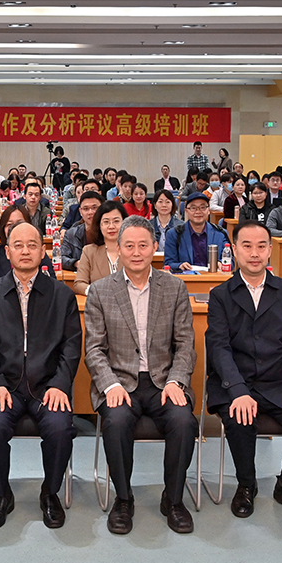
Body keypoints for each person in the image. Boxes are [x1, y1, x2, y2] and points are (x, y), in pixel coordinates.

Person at [85, 215, 198, 535]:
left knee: (184, 422)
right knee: (116, 422)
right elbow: (94, 350)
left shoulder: (174, 287)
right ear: (119, 248)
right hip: (120, 382)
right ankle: (124, 499)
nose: (136, 252)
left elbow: (185, 344)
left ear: (155, 247)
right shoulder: (100, 291)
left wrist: (176, 381)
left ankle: (173, 499)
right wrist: (109, 385)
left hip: (163, 381)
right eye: (129, 246)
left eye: (143, 245)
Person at [206, 220, 282, 520]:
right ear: (235, 251)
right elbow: (219, 348)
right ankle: (246, 485)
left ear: (271, 250)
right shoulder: (221, 294)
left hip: (279, 382)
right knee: (240, 418)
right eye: (247, 246)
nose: (254, 253)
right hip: (237, 382)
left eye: (261, 246)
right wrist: (238, 391)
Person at [0, 222, 81, 530]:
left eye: (32, 245)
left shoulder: (62, 295)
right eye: (18, 245)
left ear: (43, 251)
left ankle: (50, 492)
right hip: (4, 386)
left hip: (47, 386)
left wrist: (60, 384)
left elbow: (71, 347)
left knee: (60, 429)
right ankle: (2, 494)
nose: (25, 251)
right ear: (7, 252)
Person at [0, 204, 54, 282]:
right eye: (9, 224)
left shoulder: (37, 252)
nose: (15, 228)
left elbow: (52, 283)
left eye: (20, 223)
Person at [163, 193, 230, 271]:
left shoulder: (220, 233)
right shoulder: (174, 234)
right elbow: (168, 263)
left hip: (213, 277)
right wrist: (179, 266)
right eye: (193, 208)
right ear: (186, 211)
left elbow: (231, 261)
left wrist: (221, 263)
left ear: (208, 210)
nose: (198, 211)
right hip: (185, 277)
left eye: (202, 207)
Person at [74, 200, 126, 296]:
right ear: (99, 225)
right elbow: (79, 284)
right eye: (106, 222)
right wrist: (98, 292)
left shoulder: (133, 250)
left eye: (116, 221)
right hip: (99, 302)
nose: (111, 226)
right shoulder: (89, 251)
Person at [59, 191, 102, 271]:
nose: (90, 212)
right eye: (86, 209)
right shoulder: (71, 234)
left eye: (94, 208)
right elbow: (61, 258)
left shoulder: (110, 232)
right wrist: (77, 263)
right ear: (80, 212)